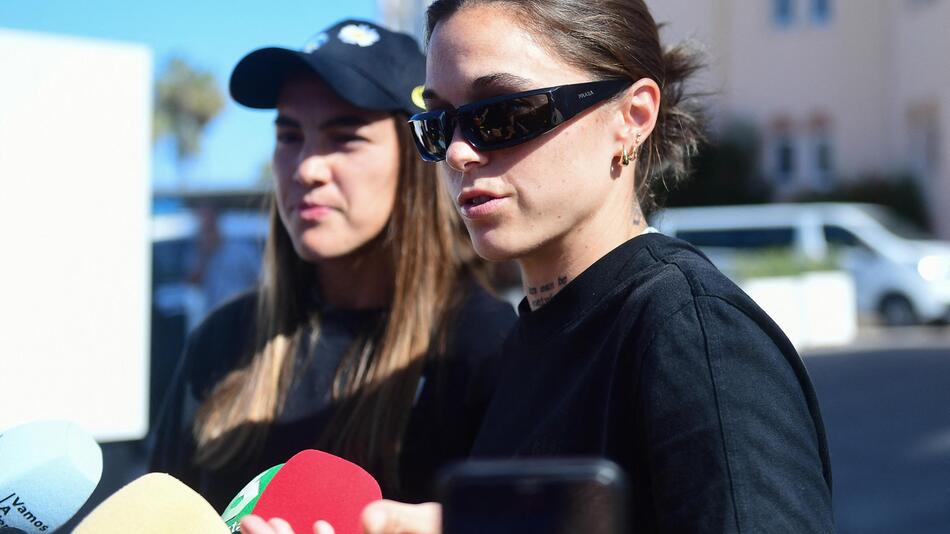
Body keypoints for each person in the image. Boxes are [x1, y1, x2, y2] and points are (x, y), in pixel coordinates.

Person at [242, 0, 836, 532]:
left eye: (502, 114)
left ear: (632, 116)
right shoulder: (535, 334)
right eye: (440, 122)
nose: (458, 152)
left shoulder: (692, 332)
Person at [149, 19, 517, 511]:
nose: (306, 168)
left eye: (344, 138)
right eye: (289, 135)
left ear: (417, 158)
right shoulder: (222, 341)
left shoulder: (482, 345)